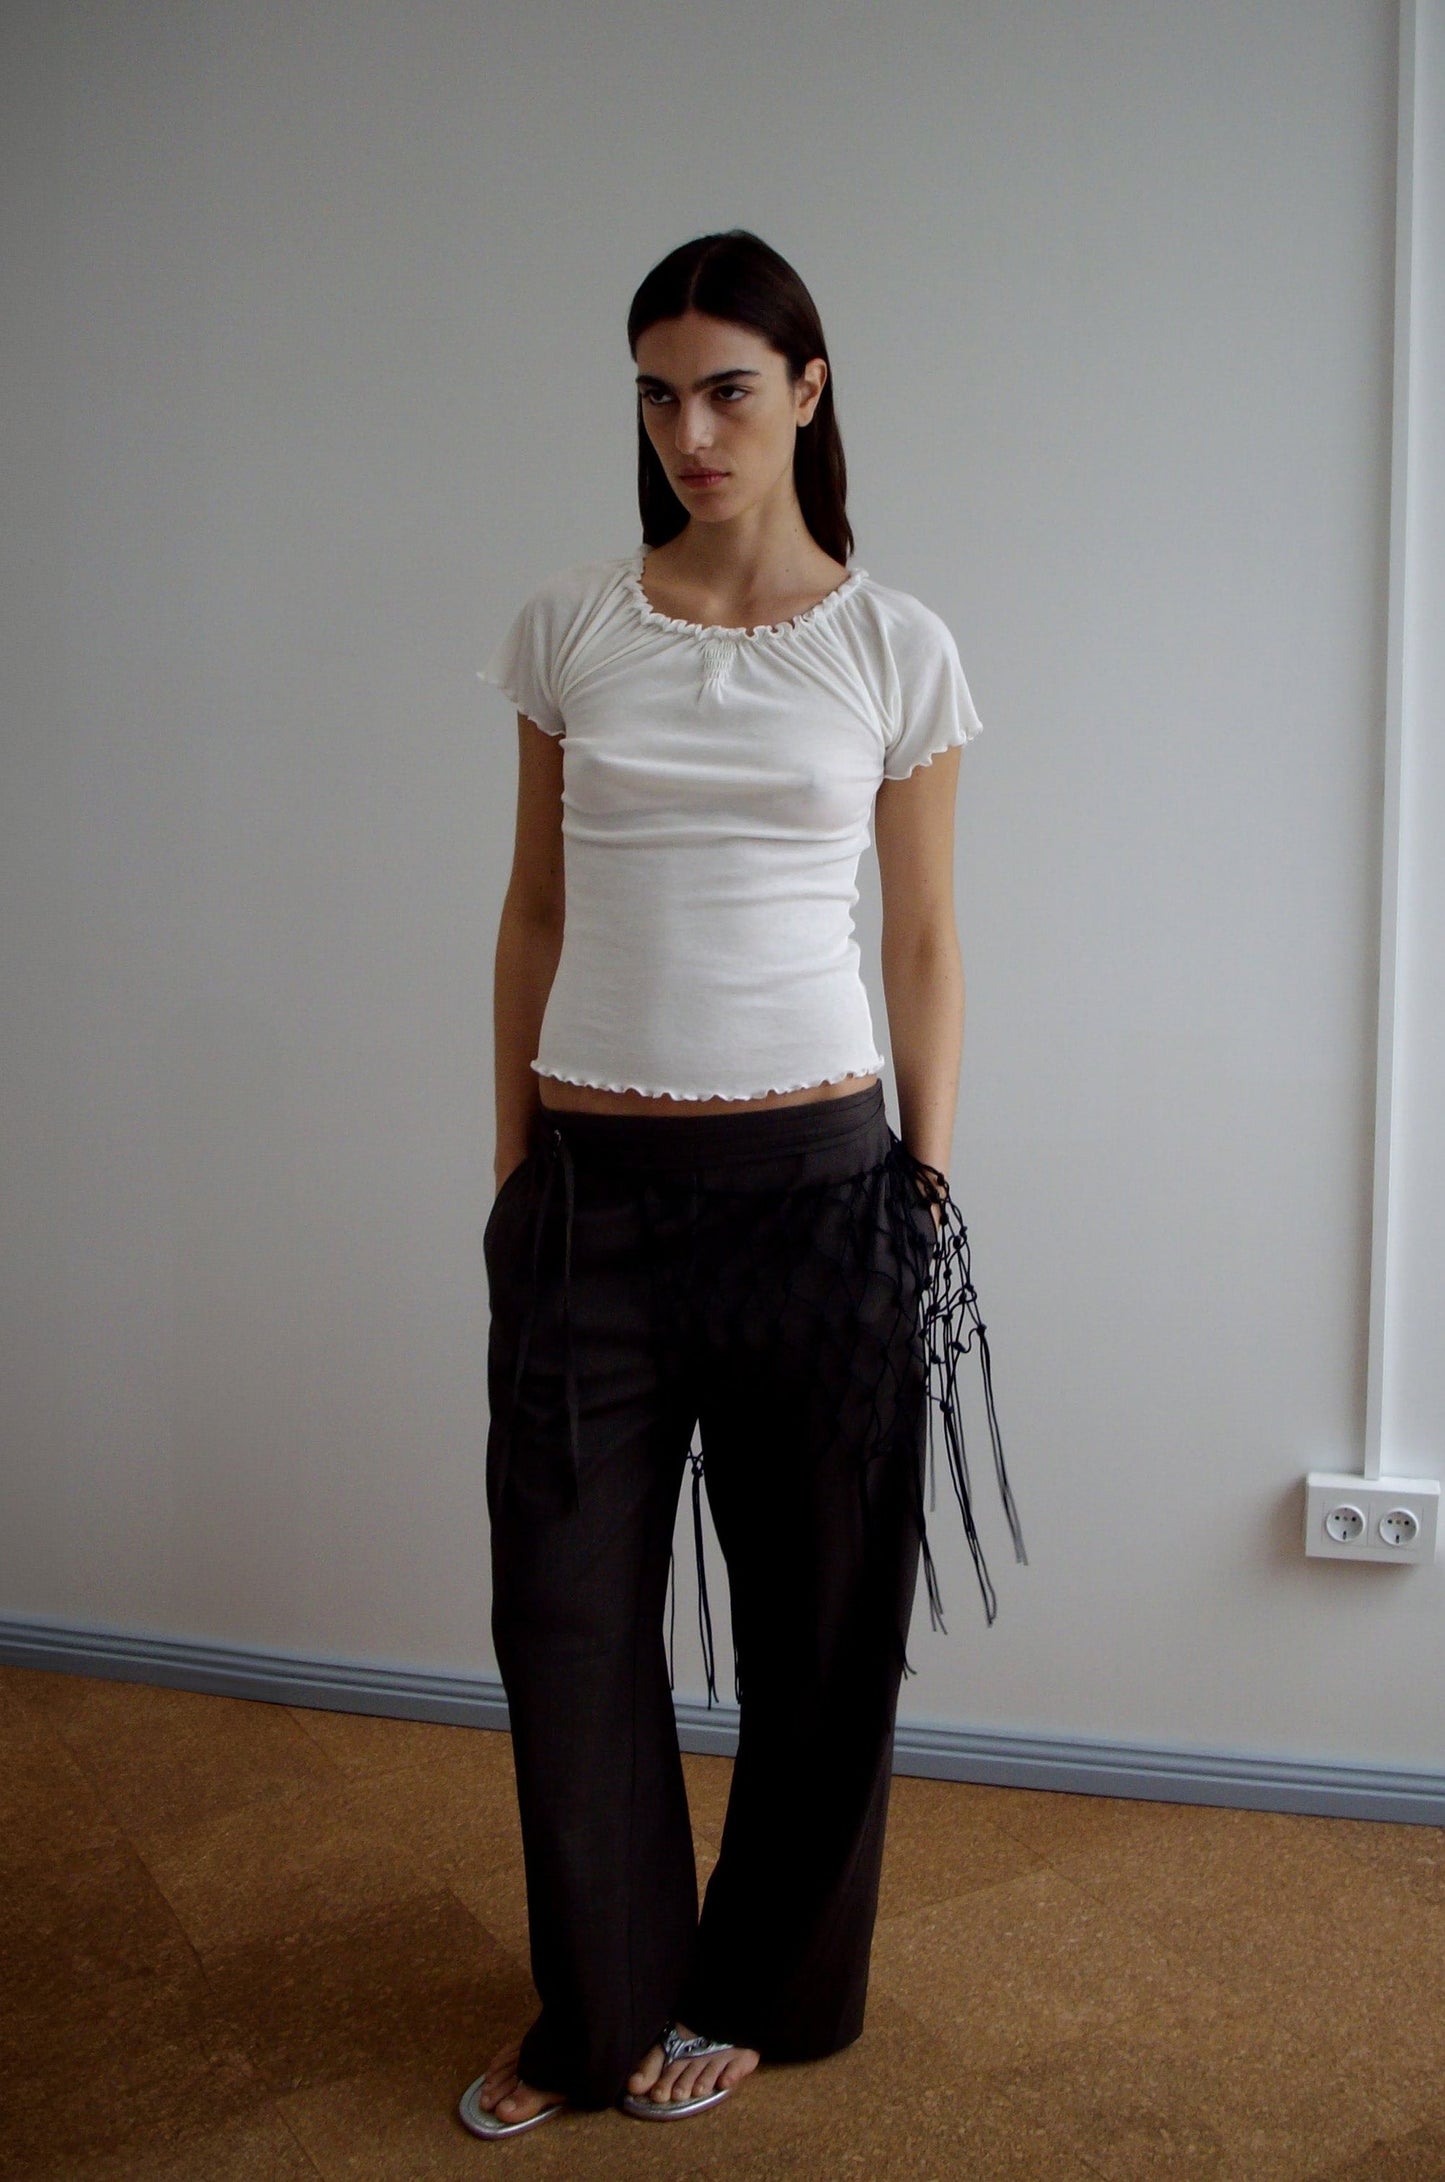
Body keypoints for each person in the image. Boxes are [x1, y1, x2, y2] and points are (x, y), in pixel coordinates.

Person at [457, 229, 1026, 2141]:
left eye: (722, 387)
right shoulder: (568, 625)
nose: (686, 429)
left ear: (805, 387)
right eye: (653, 391)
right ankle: (601, 2000)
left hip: (818, 1191)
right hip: (592, 1197)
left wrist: (916, 1191)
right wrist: (522, 1174)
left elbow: (929, 941)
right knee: (567, 1614)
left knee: (820, 1618)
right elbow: (535, 904)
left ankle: (762, 1985)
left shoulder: (895, 644)